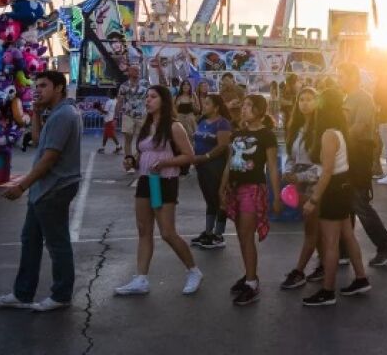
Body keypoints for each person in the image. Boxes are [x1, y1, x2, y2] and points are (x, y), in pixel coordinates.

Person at [0, 71, 82, 312]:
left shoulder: (64, 115)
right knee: (30, 240)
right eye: (36, 86)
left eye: (43, 85)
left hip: (55, 187)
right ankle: (23, 293)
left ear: (59, 88)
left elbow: (49, 157)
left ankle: (61, 294)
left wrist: (22, 185)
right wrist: (37, 114)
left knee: (56, 243)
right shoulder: (55, 113)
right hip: (44, 188)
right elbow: (37, 141)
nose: (37, 90)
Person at [114, 85, 203, 297]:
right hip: (145, 180)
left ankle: (193, 271)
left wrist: (165, 163)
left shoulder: (174, 127)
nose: (148, 100)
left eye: (153, 97)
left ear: (164, 100)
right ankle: (141, 278)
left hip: (165, 181)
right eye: (147, 97)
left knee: (167, 232)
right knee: (144, 230)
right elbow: (142, 153)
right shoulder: (146, 125)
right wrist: (132, 161)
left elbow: (189, 156)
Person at [302, 87, 371, 306]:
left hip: (334, 190)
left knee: (330, 242)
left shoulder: (329, 134)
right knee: (348, 235)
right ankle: (361, 278)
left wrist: (313, 200)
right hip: (343, 187)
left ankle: (328, 290)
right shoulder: (340, 131)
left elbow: (327, 171)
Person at [221, 93, 282, 306]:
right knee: (241, 235)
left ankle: (252, 283)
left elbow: (272, 167)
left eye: (249, 105)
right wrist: (222, 188)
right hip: (235, 189)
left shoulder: (267, 135)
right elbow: (229, 162)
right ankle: (249, 274)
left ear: (259, 110)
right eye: (244, 105)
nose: (244, 109)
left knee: (247, 235)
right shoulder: (237, 133)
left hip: (253, 189)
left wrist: (276, 196)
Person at [339, 63, 387, 267]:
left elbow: (359, 126)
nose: (339, 80)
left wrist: (338, 141)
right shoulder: (348, 98)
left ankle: (385, 245)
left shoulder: (362, 98)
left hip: (359, 155)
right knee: (346, 203)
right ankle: (343, 250)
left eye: (341, 76)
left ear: (352, 77)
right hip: (348, 154)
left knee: (359, 202)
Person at [280, 87, 322, 290]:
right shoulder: (296, 127)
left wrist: (299, 176)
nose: (305, 103)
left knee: (311, 230)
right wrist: (288, 171)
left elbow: (322, 167)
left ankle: (299, 271)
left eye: (310, 99)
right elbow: (290, 155)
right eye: (302, 99)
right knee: (314, 227)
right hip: (298, 182)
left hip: (314, 184)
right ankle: (323, 264)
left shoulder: (321, 129)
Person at [191, 93, 233, 249]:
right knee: (209, 199)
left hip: (215, 166)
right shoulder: (202, 121)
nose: (204, 106)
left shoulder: (223, 124)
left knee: (219, 199)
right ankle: (208, 232)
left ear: (216, 108)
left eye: (208, 103)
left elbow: (222, 146)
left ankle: (219, 235)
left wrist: (206, 157)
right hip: (201, 166)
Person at [116, 65, 148, 174]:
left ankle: (138, 161)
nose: (137, 71)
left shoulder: (145, 84)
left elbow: (149, 98)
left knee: (142, 140)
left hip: (142, 115)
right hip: (128, 114)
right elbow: (120, 101)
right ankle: (129, 163)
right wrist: (115, 116)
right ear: (129, 72)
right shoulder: (124, 86)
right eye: (134, 70)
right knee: (128, 139)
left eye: (138, 70)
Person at [98, 88, 120, 154]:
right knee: (106, 135)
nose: (107, 93)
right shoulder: (116, 100)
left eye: (109, 92)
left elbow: (105, 112)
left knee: (112, 135)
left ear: (112, 94)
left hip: (109, 121)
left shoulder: (109, 102)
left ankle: (119, 146)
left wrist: (99, 108)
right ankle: (102, 148)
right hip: (112, 120)